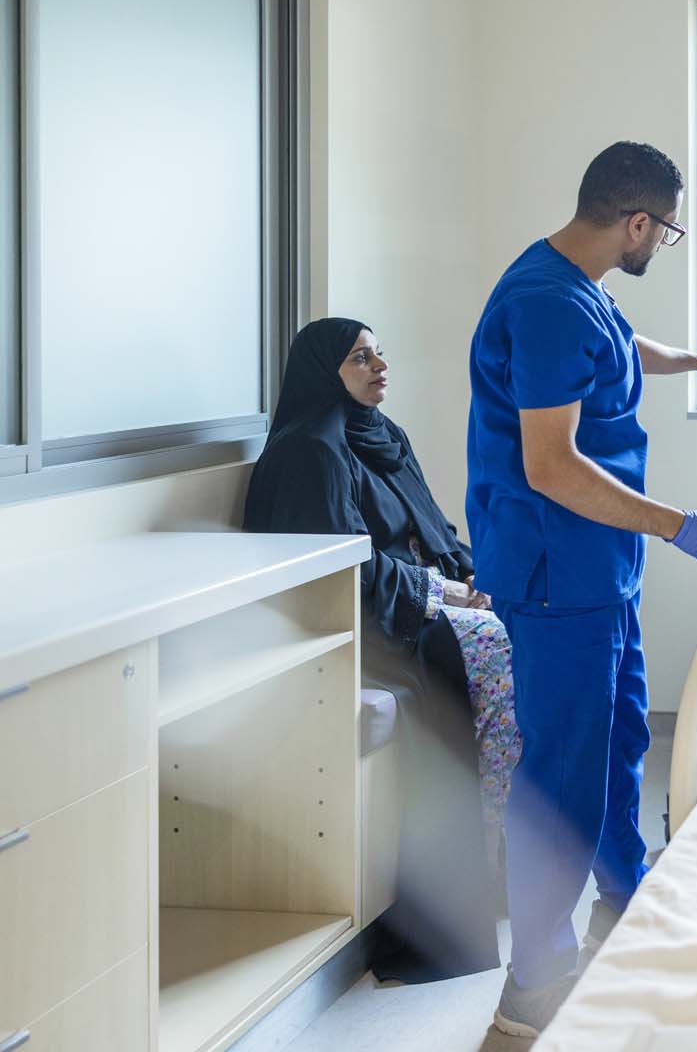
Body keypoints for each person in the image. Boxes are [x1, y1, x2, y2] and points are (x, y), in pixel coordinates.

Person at [466, 141, 697, 1037]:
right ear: (637, 221)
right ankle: (535, 981)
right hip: (560, 572)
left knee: (620, 734)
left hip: (601, 571)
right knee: (562, 772)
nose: (659, 243)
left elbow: (623, 348)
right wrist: (676, 524)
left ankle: (625, 894)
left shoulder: (573, 281)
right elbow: (551, 466)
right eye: (664, 231)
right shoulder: (546, 304)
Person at [244, 316, 517, 982]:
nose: (378, 366)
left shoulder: (382, 435)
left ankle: (503, 863)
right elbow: (343, 572)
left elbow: (433, 529)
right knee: (488, 644)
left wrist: (473, 578)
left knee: (525, 621)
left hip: (423, 600)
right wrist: (447, 593)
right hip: (366, 625)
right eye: (359, 358)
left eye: (378, 353)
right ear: (323, 373)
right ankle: (459, 892)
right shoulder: (312, 450)